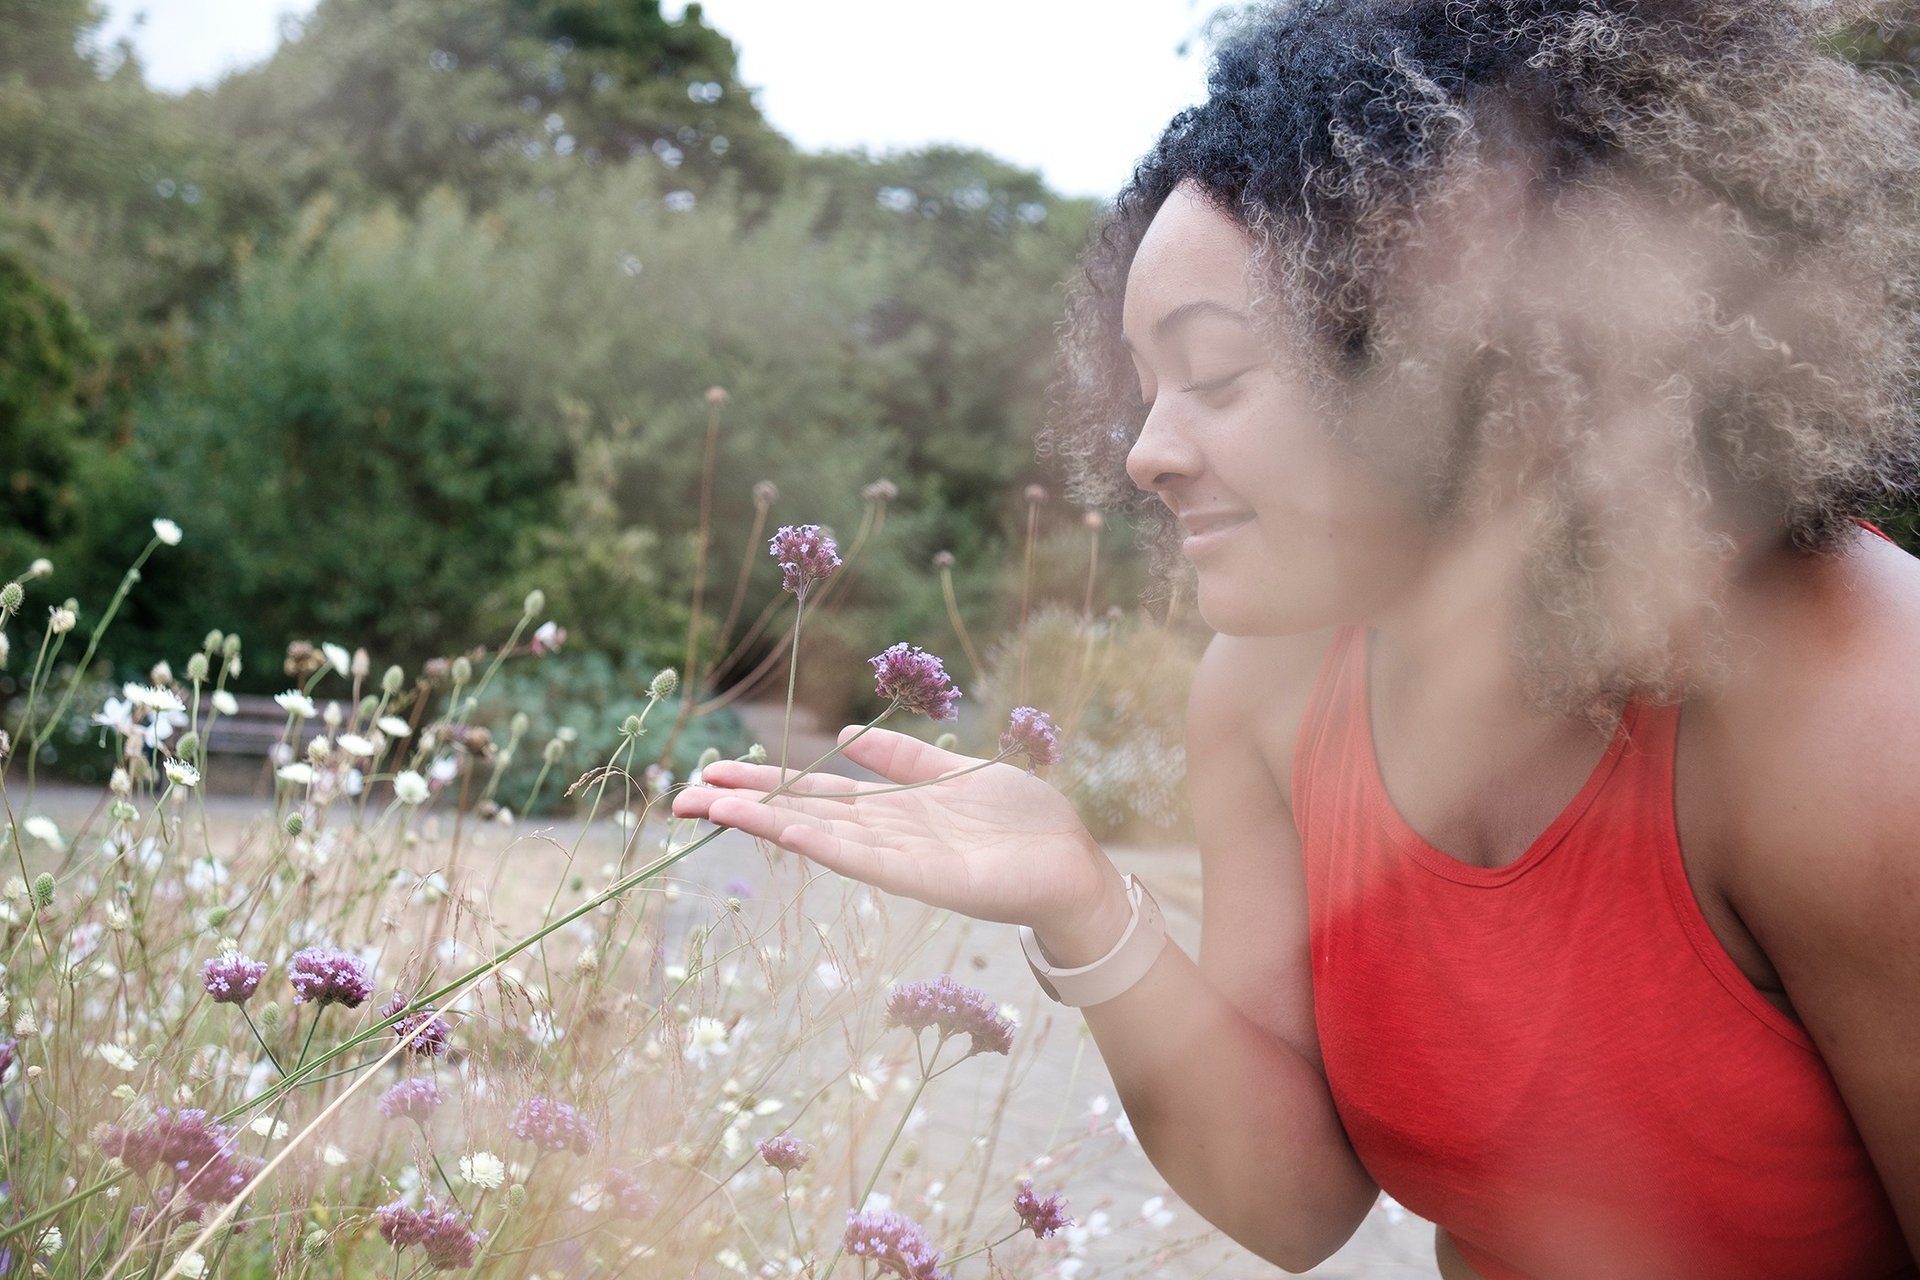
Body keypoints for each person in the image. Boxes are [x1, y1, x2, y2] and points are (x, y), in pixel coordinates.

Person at [674, 1, 1920, 1275]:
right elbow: (1296, 1202)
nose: (1147, 455)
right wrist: (1083, 901)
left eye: (1213, 378)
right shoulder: (1268, 687)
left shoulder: (1853, 705)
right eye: (1143, 392)